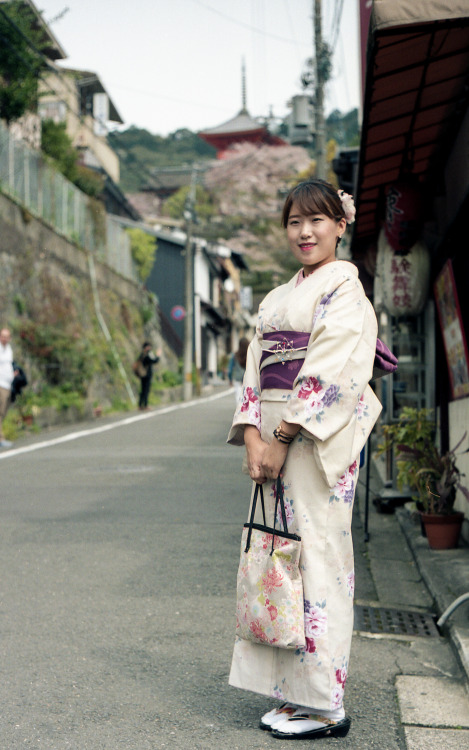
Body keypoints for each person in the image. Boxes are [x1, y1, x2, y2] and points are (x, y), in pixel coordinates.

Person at [227, 179, 382, 740]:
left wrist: (282, 435)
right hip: (271, 437)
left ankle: (325, 703)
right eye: (294, 221)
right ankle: (291, 693)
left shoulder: (346, 294)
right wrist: (252, 436)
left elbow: (330, 372)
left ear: (341, 225)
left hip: (312, 443)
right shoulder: (274, 298)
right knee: (277, 555)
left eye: (317, 220)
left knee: (316, 557)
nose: (305, 231)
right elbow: (254, 368)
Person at [0, 328, 15, 448]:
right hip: (0, 384)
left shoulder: (8, 349)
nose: (4, 338)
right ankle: (1, 438)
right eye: (2, 336)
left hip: (7, 384)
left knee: (3, 412)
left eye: (6, 336)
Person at [136, 342, 161, 411]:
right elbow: (154, 361)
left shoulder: (142, 355)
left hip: (142, 375)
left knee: (143, 390)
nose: (150, 348)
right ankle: (145, 405)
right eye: (148, 346)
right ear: (146, 347)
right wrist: (158, 355)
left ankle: (140, 405)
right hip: (147, 375)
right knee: (146, 390)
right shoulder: (147, 355)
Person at [228, 337, 249, 404]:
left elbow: (230, 369)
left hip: (237, 378)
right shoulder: (250, 355)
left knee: (238, 396)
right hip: (248, 378)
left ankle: (240, 410)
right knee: (248, 395)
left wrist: (230, 379)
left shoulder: (235, 355)